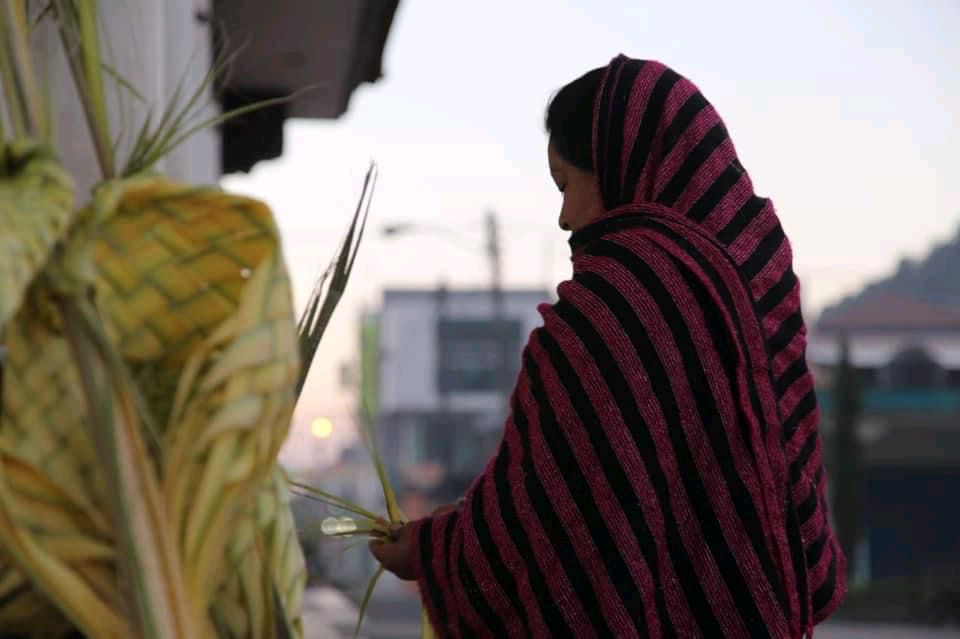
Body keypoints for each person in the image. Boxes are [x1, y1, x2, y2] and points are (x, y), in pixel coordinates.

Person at [370, 55, 845, 638]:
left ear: (624, 165)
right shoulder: (760, 273)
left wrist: (430, 550)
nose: (566, 217)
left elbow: (546, 521)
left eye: (567, 184)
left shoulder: (620, 300)